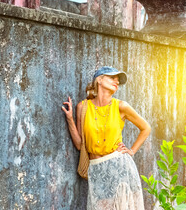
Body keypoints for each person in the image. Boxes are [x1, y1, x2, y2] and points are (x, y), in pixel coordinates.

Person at [62, 66, 151, 210]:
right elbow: (80, 145)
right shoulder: (83, 107)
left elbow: (146, 128)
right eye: (112, 77)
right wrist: (70, 119)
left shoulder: (121, 106)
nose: (116, 81)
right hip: (96, 168)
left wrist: (132, 151)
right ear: (100, 80)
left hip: (118, 165)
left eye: (118, 80)